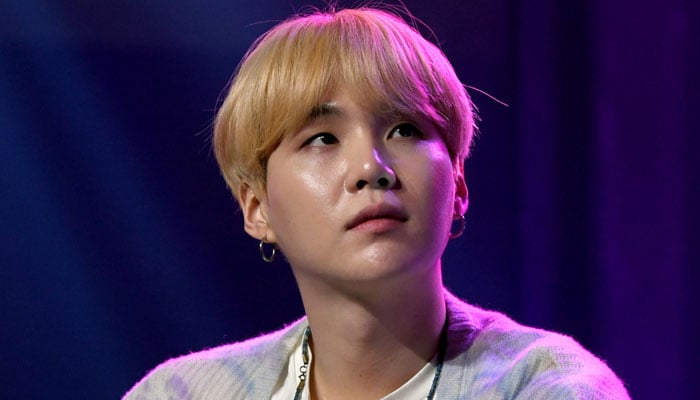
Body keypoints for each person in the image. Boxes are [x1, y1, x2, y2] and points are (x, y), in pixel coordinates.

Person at [123, 5, 629, 400]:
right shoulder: (181, 393)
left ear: (458, 185)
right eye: (322, 139)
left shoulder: (546, 385)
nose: (371, 167)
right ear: (257, 208)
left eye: (404, 129)